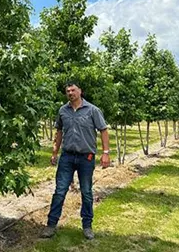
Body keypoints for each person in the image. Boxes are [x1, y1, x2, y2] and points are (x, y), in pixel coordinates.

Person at [41, 81, 110, 240]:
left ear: (80, 91)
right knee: (60, 191)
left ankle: (87, 226)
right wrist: (54, 152)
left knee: (86, 192)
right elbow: (59, 132)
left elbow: (103, 130)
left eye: (73, 90)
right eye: (67, 91)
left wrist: (106, 153)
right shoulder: (63, 111)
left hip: (86, 157)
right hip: (67, 156)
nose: (70, 93)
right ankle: (51, 225)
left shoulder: (92, 110)